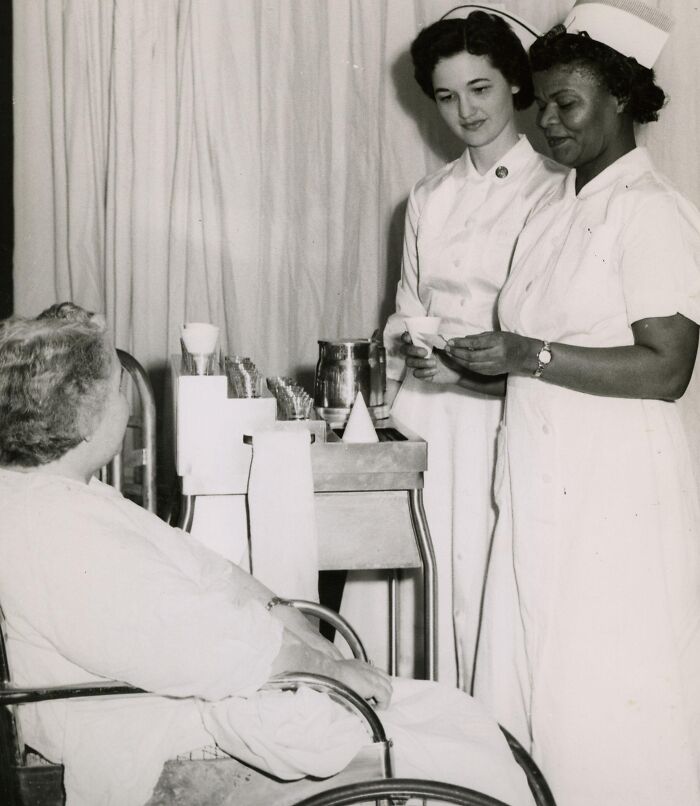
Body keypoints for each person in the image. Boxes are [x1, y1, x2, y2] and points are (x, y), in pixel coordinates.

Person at [0, 303, 536, 806]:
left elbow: (200, 566)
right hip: (142, 719)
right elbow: (189, 644)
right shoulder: (53, 526)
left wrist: (285, 616)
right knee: (450, 752)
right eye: (118, 388)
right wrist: (317, 667)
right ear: (86, 408)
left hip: (187, 687)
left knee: (449, 718)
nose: (125, 400)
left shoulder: (64, 496)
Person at [440, 2, 700, 803]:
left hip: (614, 489)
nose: (546, 121)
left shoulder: (650, 209)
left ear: (622, 98)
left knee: (604, 696)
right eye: (541, 101)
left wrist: (529, 355)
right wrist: (474, 364)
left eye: (568, 103)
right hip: (540, 479)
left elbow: (668, 366)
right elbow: (536, 351)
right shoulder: (553, 212)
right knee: (533, 681)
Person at [341, 7, 565, 688]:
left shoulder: (553, 191)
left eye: (480, 88)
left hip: (499, 414)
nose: (464, 110)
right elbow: (407, 307)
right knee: (410, 574)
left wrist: (464, 369)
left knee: (477, 582)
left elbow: (545, 330)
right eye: (445, 95)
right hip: (425, 413)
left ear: (514, 86)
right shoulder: (428, 197)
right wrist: (410, 345)